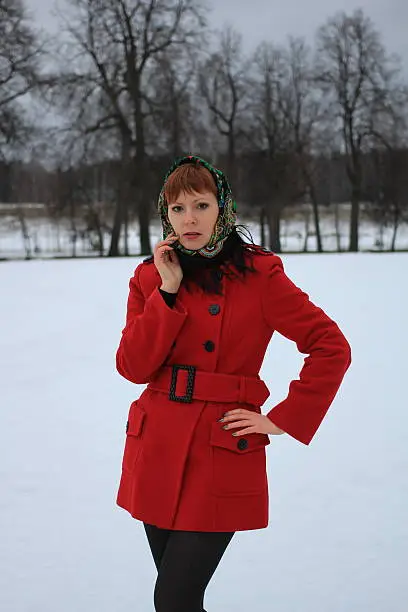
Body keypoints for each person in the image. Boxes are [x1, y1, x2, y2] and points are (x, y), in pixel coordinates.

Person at [115, 154, 352, 612]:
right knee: (174, 599)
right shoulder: (151, 276)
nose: (189, 219)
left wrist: (283, 419)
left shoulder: (258, 275)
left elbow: (330, 346)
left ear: (223, 209)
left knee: (175, 598)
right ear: (165, 213)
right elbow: (132, 367)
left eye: (201, 205)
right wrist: (166, 291)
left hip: (218, 445)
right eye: (178, 208)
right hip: (158, 444)